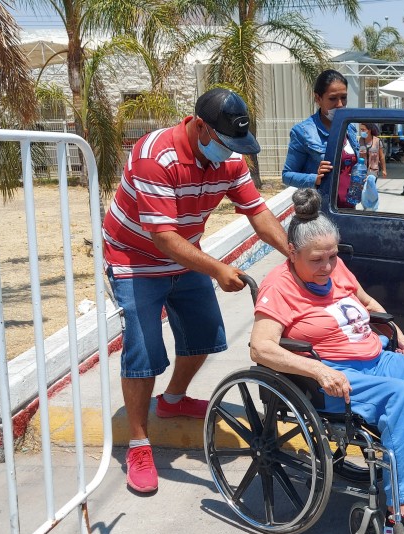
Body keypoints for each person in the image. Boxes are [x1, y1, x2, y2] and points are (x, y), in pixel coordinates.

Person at [249, 188, 404, 534]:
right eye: (317, 260)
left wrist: (402, 336)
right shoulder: (279, 285)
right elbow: (260, 348)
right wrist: (320, 371)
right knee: (401, 397)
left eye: (332, 257)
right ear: (292, 253)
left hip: (375, 356)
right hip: (336, 375)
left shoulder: (335, 270)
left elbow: (367, 302)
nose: (328, 267)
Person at [103, 87, 289, 494]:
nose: (231, 152)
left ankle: (172, 401)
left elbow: (258, 212)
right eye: (225, 143)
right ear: (200, 127)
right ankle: (139, 442)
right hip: (135, 259)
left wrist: (294, 254)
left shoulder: (231, 156)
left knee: (203, 334)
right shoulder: (156, 156)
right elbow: (163, 238)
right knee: (144, 351)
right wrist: (219, 269)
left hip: (184, 255)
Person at [282, 69, 359, 208]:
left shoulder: (349, 128)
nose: (340, 104)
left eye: (344, 97)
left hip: (348, 209)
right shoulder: (303, 132)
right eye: (333, 98)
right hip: (318, 212)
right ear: (318, 98)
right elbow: (287, 175)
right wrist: (315, 179)